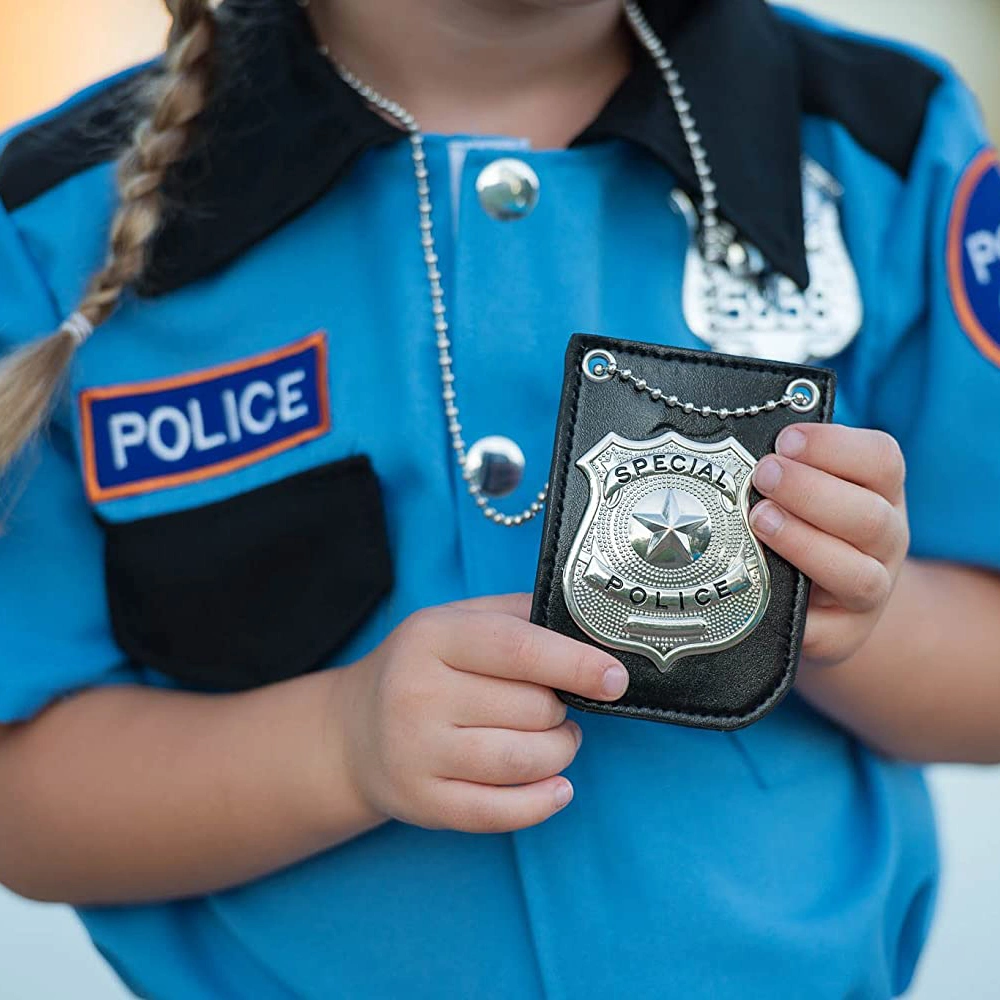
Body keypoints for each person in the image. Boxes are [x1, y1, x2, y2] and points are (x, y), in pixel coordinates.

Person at [0, 0, 998, 996]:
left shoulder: (886, 144)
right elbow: (26, 803)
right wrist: (338, 746)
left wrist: (849, 617)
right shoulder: (50, 233)